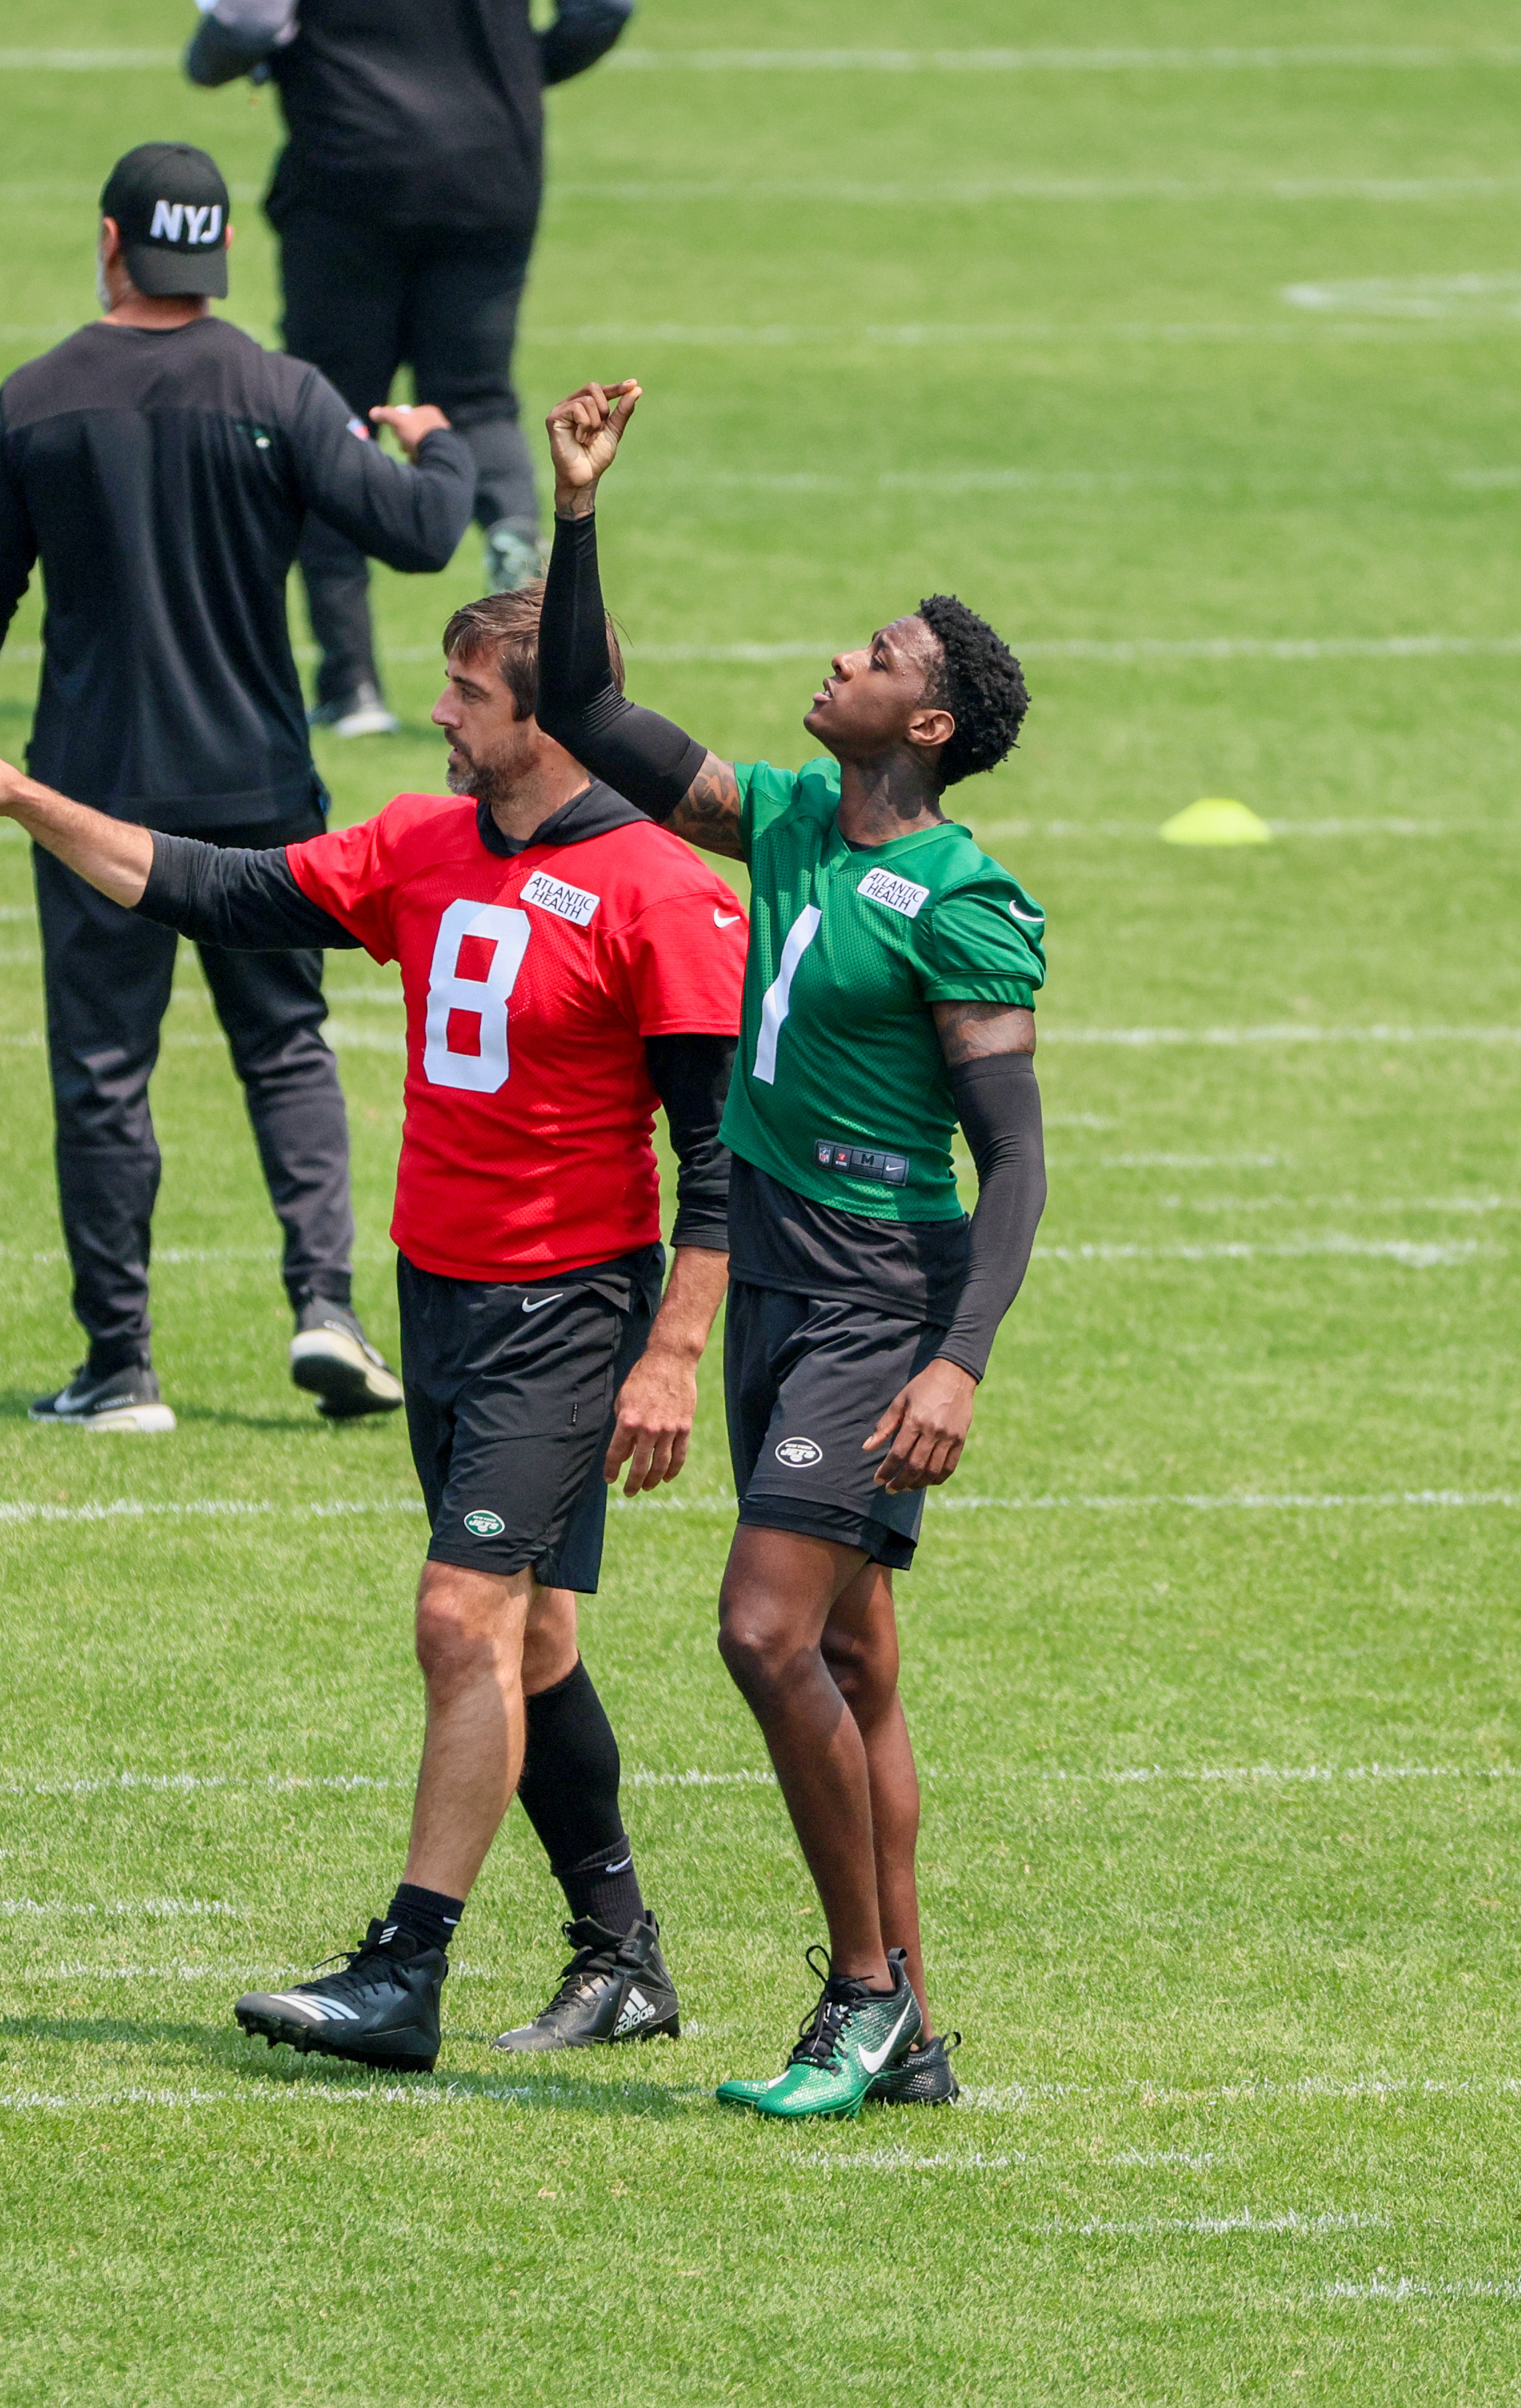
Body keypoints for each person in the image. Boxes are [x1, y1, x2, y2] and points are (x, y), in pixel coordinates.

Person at [0, 577, 742, 2068]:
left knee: (455, 1617)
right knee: (531, 1640)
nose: (441, 716)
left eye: (467, 695)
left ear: (541, 717)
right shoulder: (421, 840)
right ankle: (624, 1957)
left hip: (566, 1301)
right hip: (441, 1288)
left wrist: (670, 1352)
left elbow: (720, 1158)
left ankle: (403, 1974)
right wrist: (25, 797)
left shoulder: (664, 890)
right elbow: (213, 887)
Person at [534, 380, 1048, 2120]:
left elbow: (1017, 1158)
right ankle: (915, 2035)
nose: (843, 656)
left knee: (765, 1631)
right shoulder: (789, 820)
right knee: (852, 1659)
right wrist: (579, 508)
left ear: (931, 718)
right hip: (773, 1289)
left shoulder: (964, 895)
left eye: (879, 650)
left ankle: (861, 1991)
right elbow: (585, 705)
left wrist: (956, 1358)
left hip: (873, 1301)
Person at [0, 139, 475, 1431]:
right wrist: (439, 445)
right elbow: (420, 534)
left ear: (109, 239)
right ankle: (325, 1309)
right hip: (261, 789)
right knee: (285, 1047)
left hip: (91, 796)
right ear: (218, 249)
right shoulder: (281, 390)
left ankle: (120, 1368)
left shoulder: (38, 399)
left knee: (105, 1069)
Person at [187, 0, 637, 736]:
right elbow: (603, 7)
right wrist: (523, 70)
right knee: (478, 396)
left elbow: (245, 26)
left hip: (349, 162)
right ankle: (515, 546)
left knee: (331, 417)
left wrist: (203, 65)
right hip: (493, 160)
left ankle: (352, 683)